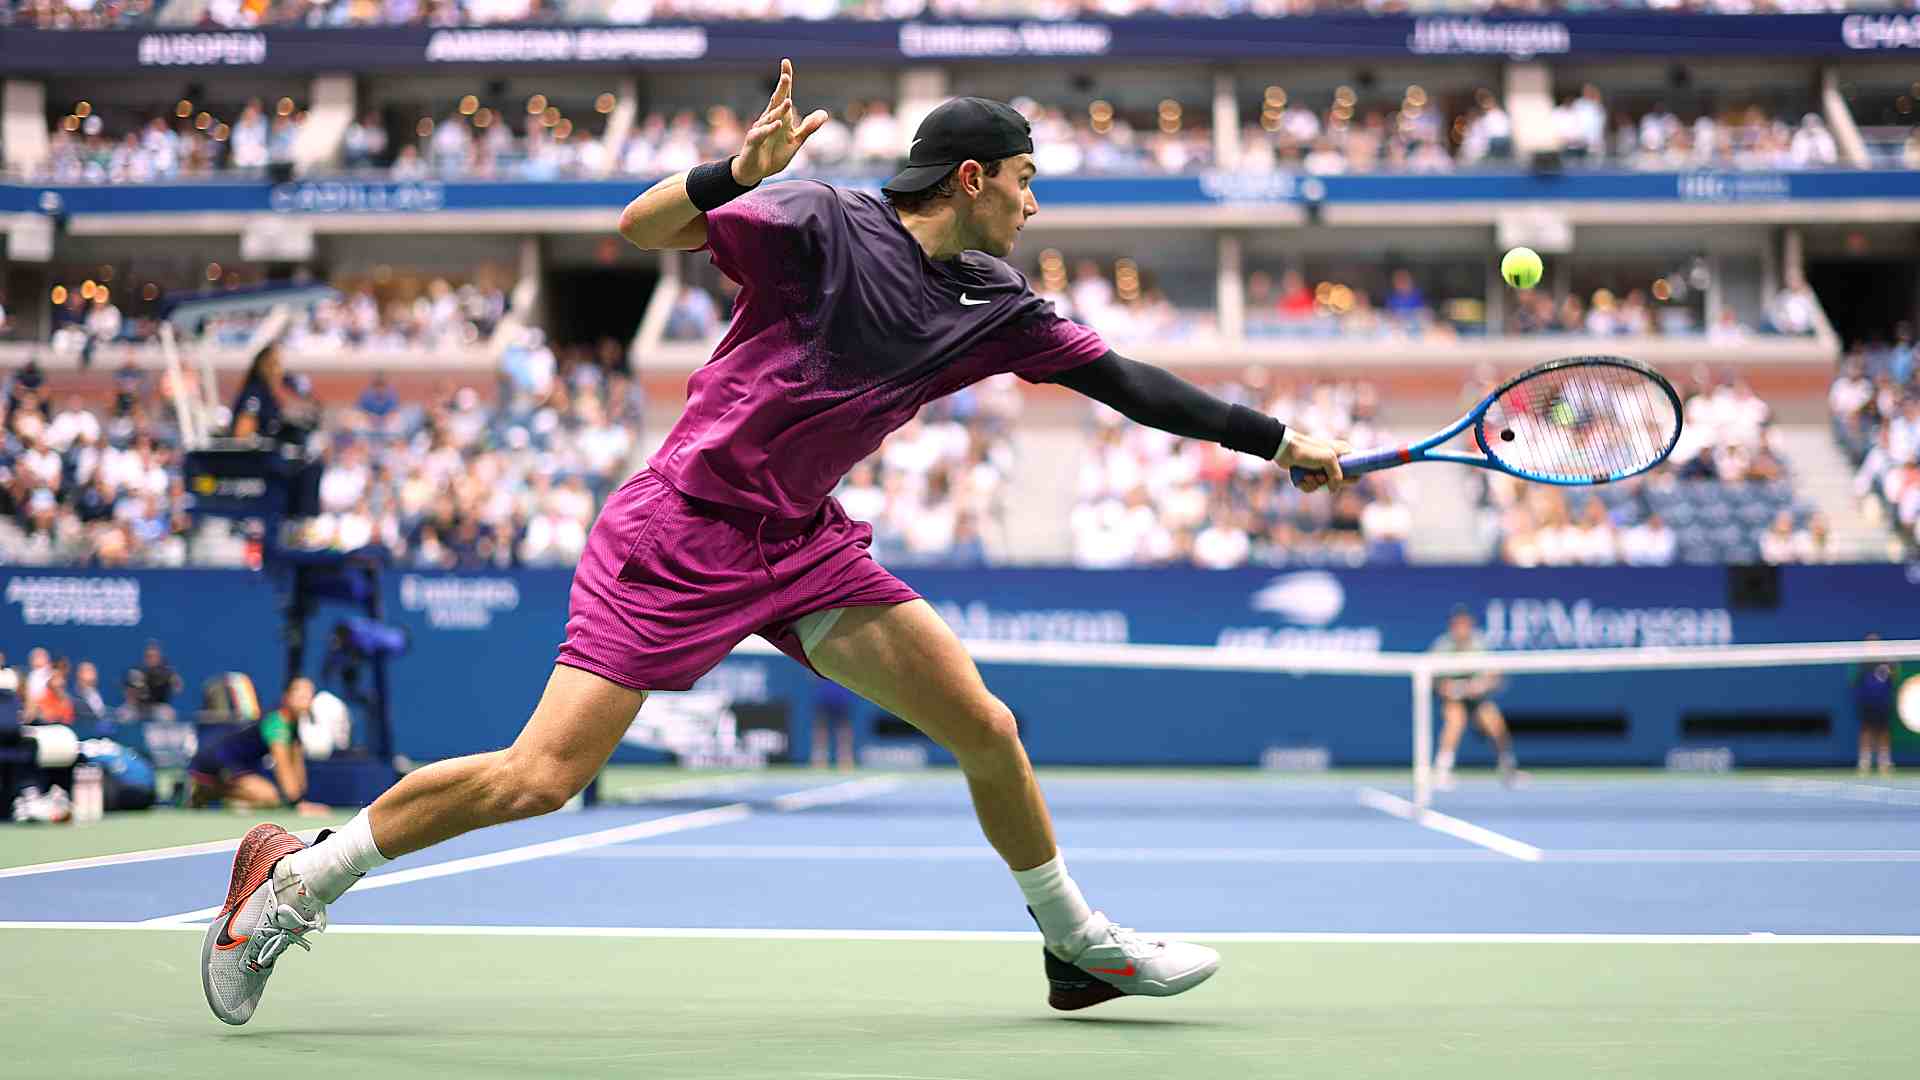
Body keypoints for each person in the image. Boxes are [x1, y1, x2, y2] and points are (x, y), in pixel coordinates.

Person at [200, 62, 1350, 1026]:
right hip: (679, 533)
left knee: (985, 727)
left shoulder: (995, 302)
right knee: (540, 779)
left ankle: (1077, 948)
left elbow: (1130, 384)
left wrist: (1277, 438)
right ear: (974, 177)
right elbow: (641, 227)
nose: (1034, 207)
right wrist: (736, 174)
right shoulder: (820, 221)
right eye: (1026, 181)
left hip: (801, 545)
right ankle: (295, 878)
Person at [187, 677, 330, 815]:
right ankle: (205, 790)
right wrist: (297, 804)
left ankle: (210, 791)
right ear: (287, 697)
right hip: (217, 760)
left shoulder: (293, 725)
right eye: (301, 694)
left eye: (310, 694)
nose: (306, 699)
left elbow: (297, 765)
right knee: (269, 797)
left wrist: (302, 798)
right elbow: (283, 766)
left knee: (269, 798)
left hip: (240, 764)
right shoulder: (277, 722)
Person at [1429, 605, 1522, 790]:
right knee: (1455, 720)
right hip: (1453, 699)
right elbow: (1433, 681)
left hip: (1477, 699)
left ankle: (1508, 767)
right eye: (1457, 625)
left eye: (1465, 624)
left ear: (1470, 625)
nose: (1461, 628)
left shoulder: (1480, 644)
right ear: (1452, 626)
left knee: (1495, 721)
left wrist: (1480, 686)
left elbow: (1495, 676)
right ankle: (1441, 770)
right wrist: (1449, 689)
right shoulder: (1442, 646)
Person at [1853, 633, 1899, 777]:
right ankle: (1864, 762)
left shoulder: (1887, 660)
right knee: (1866, 730)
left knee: (1884, 731)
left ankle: (1884, 761)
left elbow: (1895, 675)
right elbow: (1855, 680)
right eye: (1869, 642)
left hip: (1883, 702)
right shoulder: (1862, 661)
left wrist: (1892, 667)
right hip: (1867, 702)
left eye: (1874, 642)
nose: (1872, 645)